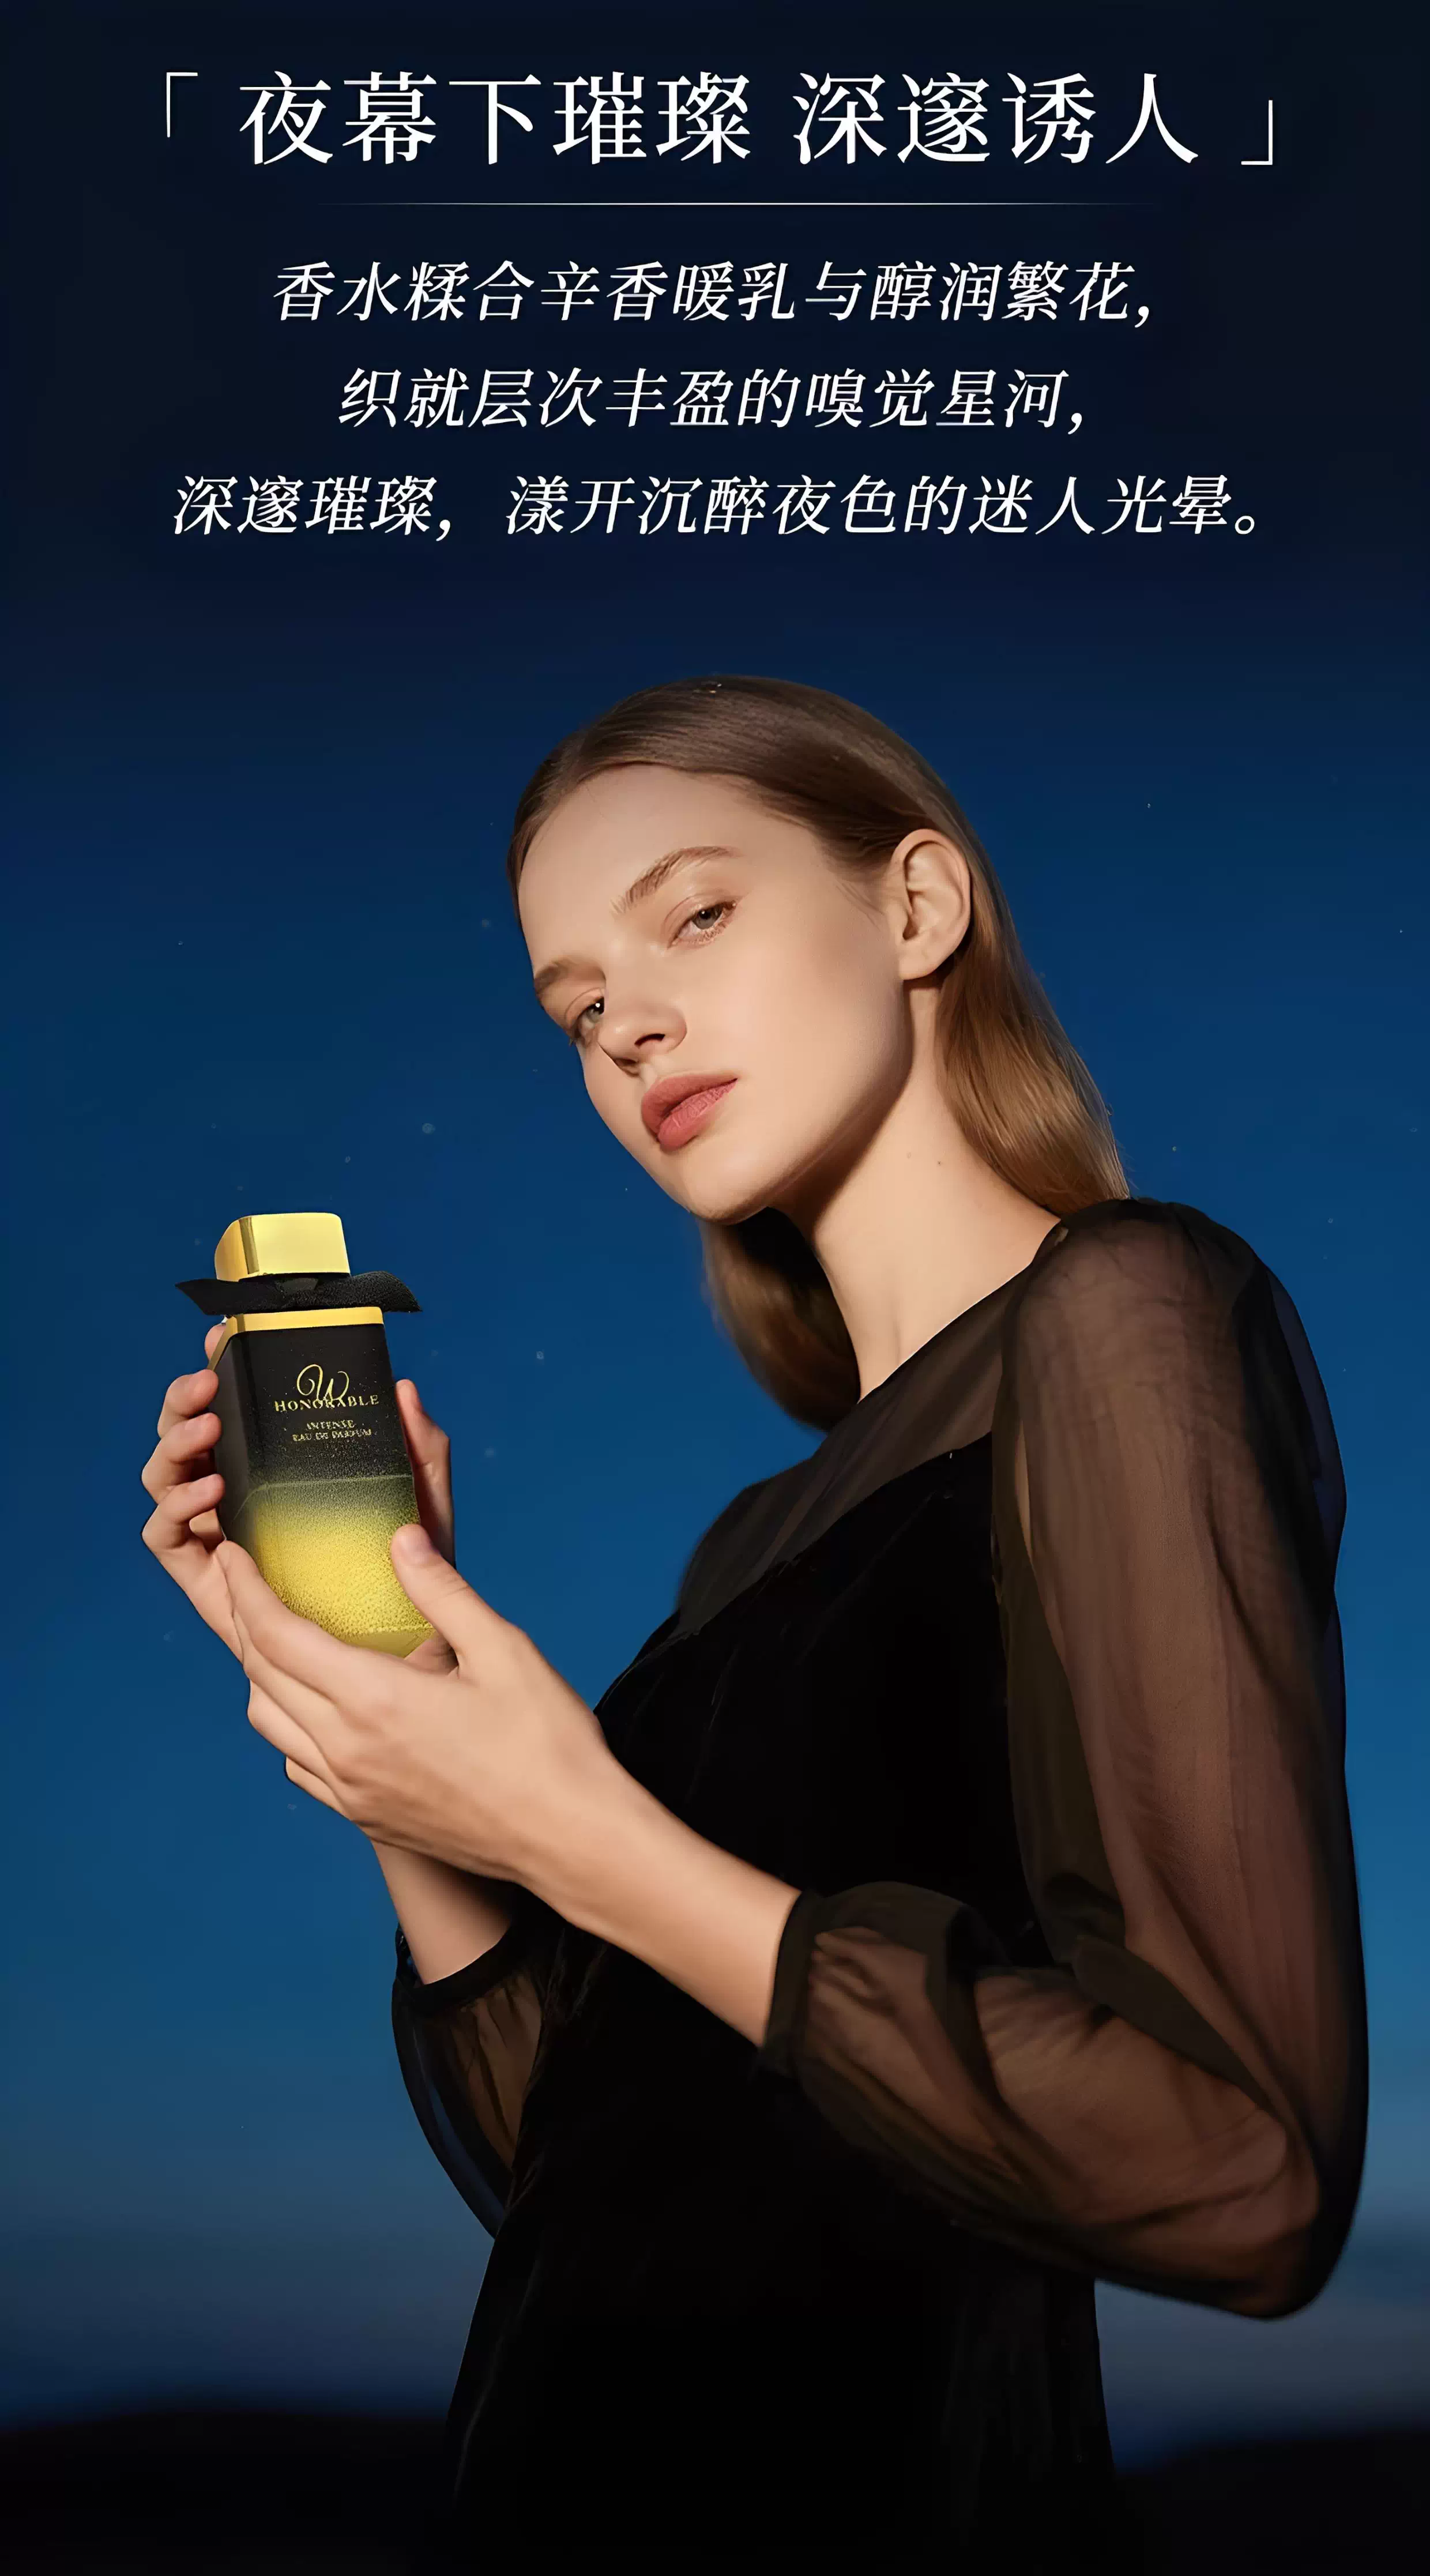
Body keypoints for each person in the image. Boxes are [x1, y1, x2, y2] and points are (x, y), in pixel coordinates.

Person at [141, 676, 1368, 2575]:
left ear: (917, 905)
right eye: (573, 1007)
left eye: (693, 914)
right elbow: (587, 2163)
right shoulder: (744, 1547)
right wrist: (390, 1705)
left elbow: (1246, 2165)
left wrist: (573, 1827)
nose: (625, 1022)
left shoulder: (1130, 1317)